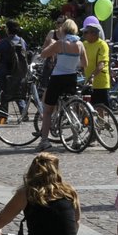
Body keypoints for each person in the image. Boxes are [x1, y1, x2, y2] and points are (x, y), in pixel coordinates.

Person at [38, 20, 87, 153]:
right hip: (71, 78)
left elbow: (43, 54)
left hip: (57, 78)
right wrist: (72, 63)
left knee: (48, 110)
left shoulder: (60, 44)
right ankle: (76, 139)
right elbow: (84, 63)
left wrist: (51, 43)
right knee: (70, 107)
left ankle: (44, 141)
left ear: (64, 30)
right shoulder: (80, 44)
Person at [82, 21, 111, 108]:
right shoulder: (84, 44)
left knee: (100, 108)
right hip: (88, 82)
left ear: (94, 33)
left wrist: (92, 77)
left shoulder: (102, 45)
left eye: (86, 32)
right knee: (87, 108)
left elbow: (101, 64)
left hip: (100, 83)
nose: (83, 35)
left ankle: (101, 122)